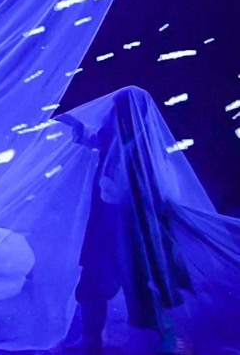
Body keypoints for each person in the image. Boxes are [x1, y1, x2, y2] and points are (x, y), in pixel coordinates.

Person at [56, 88, 191, 354]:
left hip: (133, 229)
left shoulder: (144, 148)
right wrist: (75, 124)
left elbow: (157, 192)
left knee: (143, 285)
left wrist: (115, 190)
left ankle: (163, 340)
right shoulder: (114, 135)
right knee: (93, 283)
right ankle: (90, 340)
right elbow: (95, 141)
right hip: (106, 225)